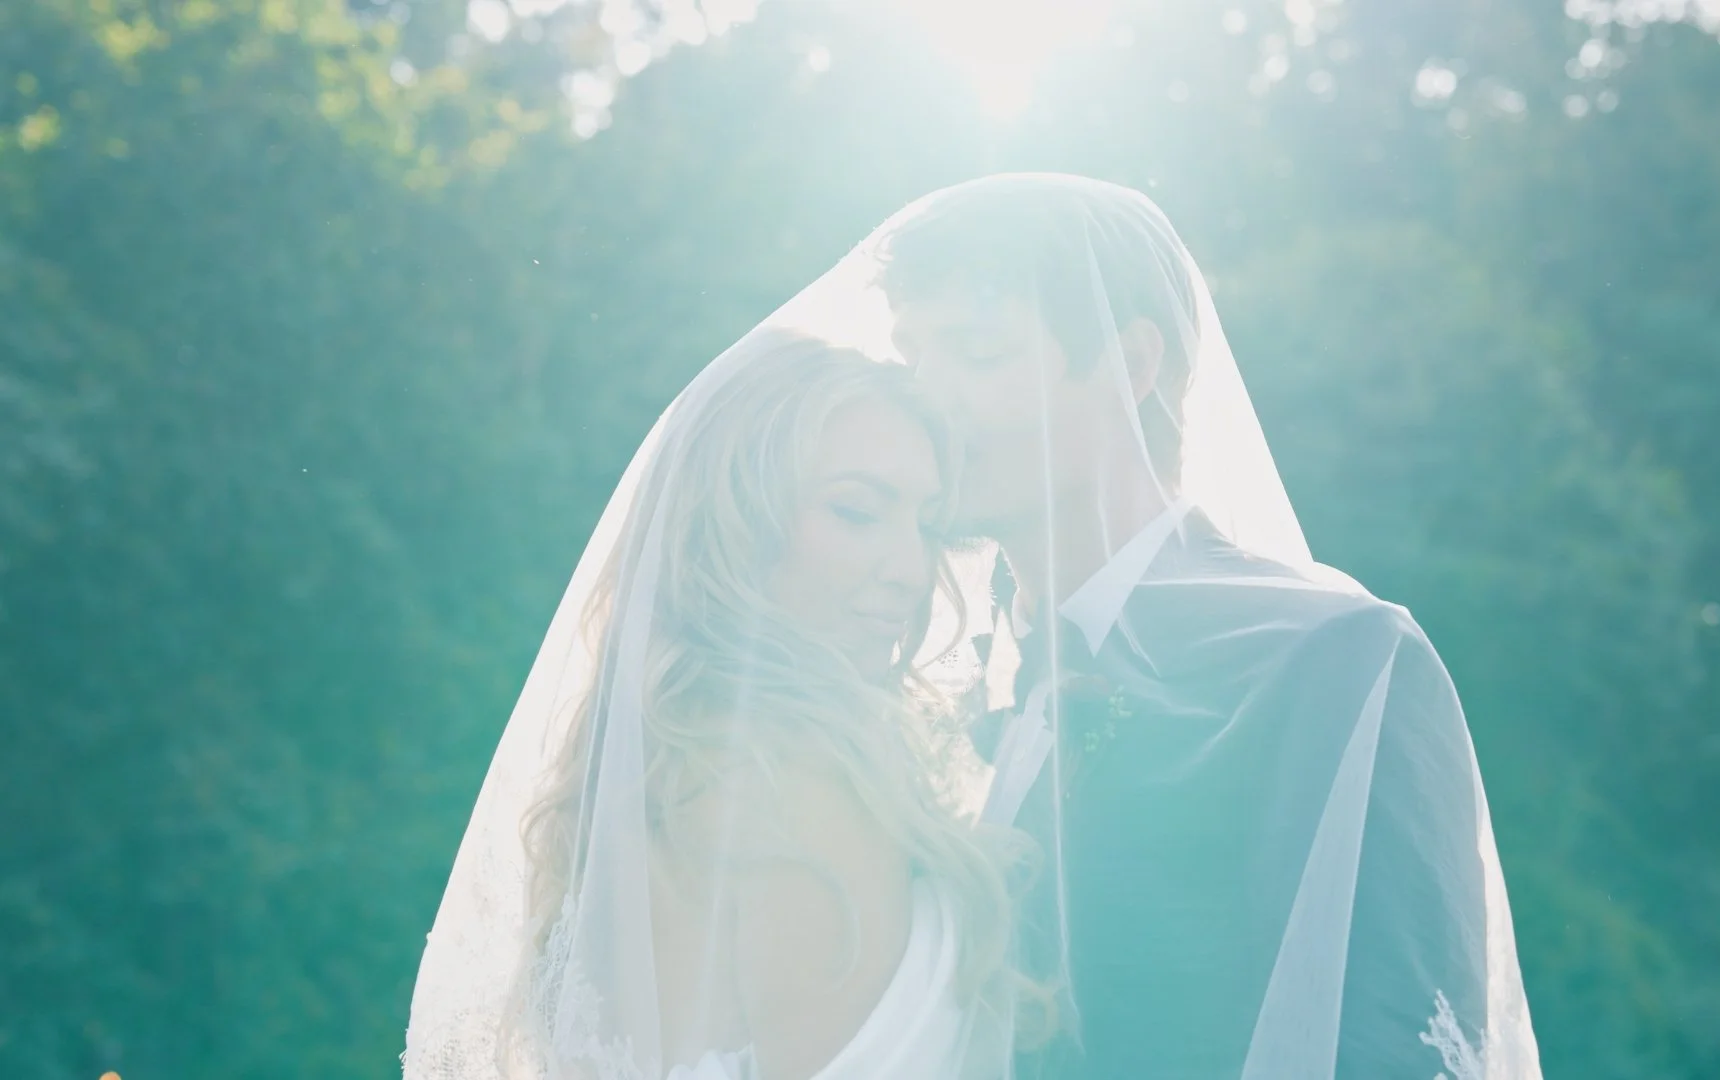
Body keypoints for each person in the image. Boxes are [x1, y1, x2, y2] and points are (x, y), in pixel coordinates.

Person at [868, 173, 1544, 1080]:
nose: (924, 398)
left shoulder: (1334, 657)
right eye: (910, 357)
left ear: (1132, 365)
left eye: (978, 352)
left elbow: (1401, 1047)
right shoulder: (912, 683)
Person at [402, 331, 1040, 1080]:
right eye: (858, 513)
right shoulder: (797, 785)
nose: (909, 568)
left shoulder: (649, 774)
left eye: (927, 526)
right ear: (735, 521)